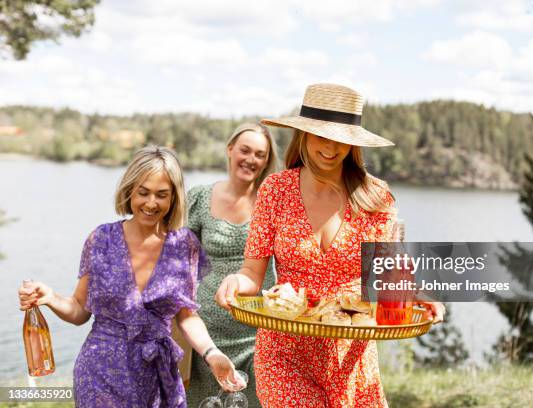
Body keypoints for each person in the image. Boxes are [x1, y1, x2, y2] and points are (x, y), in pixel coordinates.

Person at [216, 83, 446, 407]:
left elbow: (387, 277)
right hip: (285, 353)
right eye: (322, 135)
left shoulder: (376, 196)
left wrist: (419, 294)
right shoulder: (276, 190)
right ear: (304, 135)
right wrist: (235, 282)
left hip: (352, 355)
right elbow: (252, 274)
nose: (331, 148)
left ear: (354, 144)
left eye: (342, 140)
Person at [17, 146, 243, 408]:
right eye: (143, 192)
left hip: (158, 377)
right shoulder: (101, 239)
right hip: (99, 373)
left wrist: (212, 353)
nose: (150, 203)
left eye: (162, 195)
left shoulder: (185, 246)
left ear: (174, 198)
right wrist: (50, 297)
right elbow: (79, 310)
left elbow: (186, 316)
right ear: (129, 190)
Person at [185, 123, 278, 407]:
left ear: (266, 161)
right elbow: (182, 266)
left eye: (260, 154)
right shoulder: (200, 197)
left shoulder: (273, 202)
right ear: (230, 150)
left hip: (259, 330)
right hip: (207, 332)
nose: (251, 159)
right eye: (245, 150)